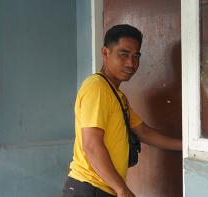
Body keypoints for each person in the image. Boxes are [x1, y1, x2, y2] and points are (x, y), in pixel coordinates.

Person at [62, 24, 182, 197]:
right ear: (105, 53)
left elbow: (143, 132)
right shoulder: (97, 88)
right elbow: (91, 145)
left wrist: (186, 145)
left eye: (136, 56)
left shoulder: (116, 95)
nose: (131, 63)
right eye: (123, 54)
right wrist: (121, 189)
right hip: (89, 188)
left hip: (102, 188)